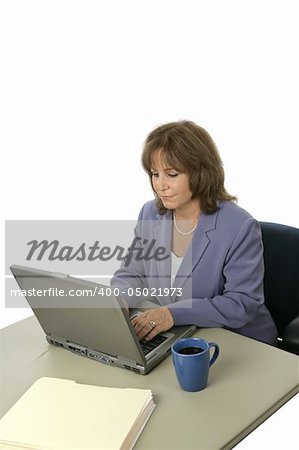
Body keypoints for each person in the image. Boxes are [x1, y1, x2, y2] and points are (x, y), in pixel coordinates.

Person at [111, 120, 278, 346]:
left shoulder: (240, 226)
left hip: (239, 341)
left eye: (171, 174)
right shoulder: (151, 213)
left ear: (200, 172)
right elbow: (132, 274)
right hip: (180, 335)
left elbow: (241, 303)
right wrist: (118, 301)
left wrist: (172, 314)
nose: (160, 185)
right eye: (155, 174)